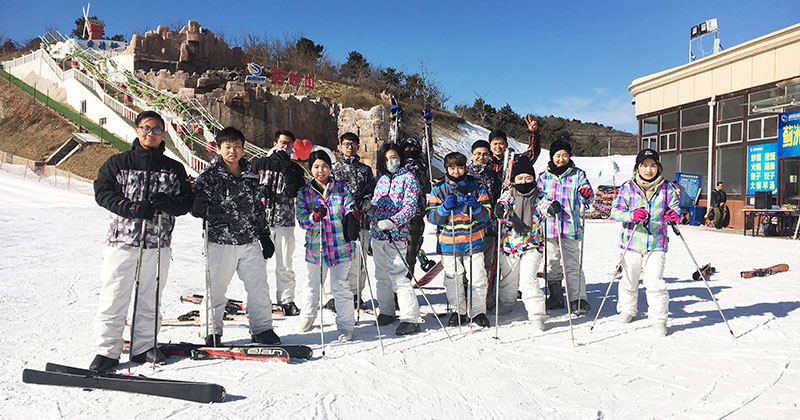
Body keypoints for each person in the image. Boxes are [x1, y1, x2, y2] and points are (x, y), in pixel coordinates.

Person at [91, 110, 193, 372]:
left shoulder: (174, 168)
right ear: (137, 130)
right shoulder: (118, 162)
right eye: (146, 128)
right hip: (123, 241)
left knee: (150, 298)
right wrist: (132, 208)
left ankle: (144, 346)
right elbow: (103, 193)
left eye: (157, 130)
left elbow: (186, 202)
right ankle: (107, 350)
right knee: (114, 295)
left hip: (157, 243)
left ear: (163, 135)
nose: (151, 133)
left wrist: (169, 203)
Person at [192, 127, 280, 346]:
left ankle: (262, 328)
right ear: (219, 148)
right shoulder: (209, 176)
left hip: (249, 240)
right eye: (228, 147)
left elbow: (256, 207)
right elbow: (197, 205)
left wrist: (264, 235)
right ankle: (211, 331)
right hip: (221, 241)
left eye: (237, 146)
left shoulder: (251, 174)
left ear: (243, 148)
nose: (233, 151)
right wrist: (198, 206)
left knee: (258, 287)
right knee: (216, 288)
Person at [610, 149, 681, 337]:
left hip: (657, 242)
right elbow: (615, 211)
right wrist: (631, 215)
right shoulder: (628, 187)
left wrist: (674, 215)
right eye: (644, 165)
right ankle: (627, 309)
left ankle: (658, 319)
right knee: (629, 279)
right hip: (632, 241)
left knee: (655, 282)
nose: (648, 170)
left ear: (658, 167)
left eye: (652, 165)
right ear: (638, 167)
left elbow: (676, 210)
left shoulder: (668, 188)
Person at [296, 150, 360, 342]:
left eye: (324, 166)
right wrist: (313, 217)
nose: (320, 171)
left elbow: (349, 206)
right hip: (317, 247)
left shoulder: (341, 188)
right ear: (310, 170)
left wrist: (352, 217)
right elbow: (302, 221)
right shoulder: (304, 193)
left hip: (340, 246)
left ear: (330, 168)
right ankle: (308, 316)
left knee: (340, 286)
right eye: (316, 167)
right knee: (312, 284)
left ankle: (346, 325)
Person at [426, 152, 492, 327]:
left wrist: (477, 207)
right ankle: (458, 310)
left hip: (473, 240)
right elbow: (431, 218)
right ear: (447, 168)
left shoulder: (477, 186)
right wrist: (444, 208)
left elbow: (486, 215)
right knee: (453, 278)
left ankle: (477, 311)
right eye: (452, 167)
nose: (456, 171)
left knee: (477, 277)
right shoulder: (438, 189)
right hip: (449, 242)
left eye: (460, 167)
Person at [370, 143, 423, 335]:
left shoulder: (409, 178)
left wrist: (393, 222)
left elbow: (410, 207)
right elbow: (376, 204)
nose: (391, 161)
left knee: (399, 276)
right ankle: (386, 310)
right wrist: (370, 211)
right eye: (387, 158)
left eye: (394, 157)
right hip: (377, 234)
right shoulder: (382, 179)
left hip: (396, 234)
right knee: (380, 275)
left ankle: (411, 317)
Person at [252, 130, 306, 316]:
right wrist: (259, 191)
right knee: (257, 262)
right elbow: (247, 185)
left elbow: (295, 192)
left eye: (289, 144)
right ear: (275, 143)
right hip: (261, 222)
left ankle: (286, 299)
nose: (285, 146)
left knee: (285, 263)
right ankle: (256, 298)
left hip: (284, 221)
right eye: (282, 142)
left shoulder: (295, 169)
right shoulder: (259, 164)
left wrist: (287, 169)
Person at [494, 155, 552, 330]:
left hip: (531, 246)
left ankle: (537, 315)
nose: (524, 181)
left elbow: (546, 205)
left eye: (528, 178)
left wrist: (552, 207)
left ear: (533, 179)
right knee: (510, 281)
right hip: (510, 246)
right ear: (514, 180)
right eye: (520, 178)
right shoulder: (509, 194)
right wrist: (500, 208)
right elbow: (504, 203)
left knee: (528, 280)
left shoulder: (540, 196)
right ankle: (506, 303)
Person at [537, 140, 594, 315]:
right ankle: (555, 296)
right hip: (549, 227)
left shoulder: (578, 175)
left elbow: (588, 198)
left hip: (569, 227)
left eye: (564, 155)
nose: (561, 159)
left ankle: (577, 299)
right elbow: (539, 198)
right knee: (551, 263)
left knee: (572, 264)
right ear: (551, 157)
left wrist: (586, 195)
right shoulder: (544, 176)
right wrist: (548, 206)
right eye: (557, 155)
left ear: (569, 156)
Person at [329, 132, 375, 311]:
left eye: (353, 144)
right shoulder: (334, 170)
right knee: (338, 261)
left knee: (358, 261)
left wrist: (367, 201)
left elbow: (373, 190)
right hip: (339, 223)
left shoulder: (365, 170)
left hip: (361, 221)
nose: (349, 147)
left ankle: (356, 294)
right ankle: (335, 296)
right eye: (346, 144)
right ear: (340, 146)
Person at [467, 140, 502, 307]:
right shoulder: (464, 174)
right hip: (468, 228)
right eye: (478, 154)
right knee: (470, 265)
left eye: (485, 154)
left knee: (487, 264)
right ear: (471, 155)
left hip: (489, 227)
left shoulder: (494, 175)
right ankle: (467, 299)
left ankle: (484, 298)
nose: (481, 157)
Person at [397, 136, 431, 276]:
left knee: (411, 253)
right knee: (396, 254)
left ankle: (407, 281)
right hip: (398, 213)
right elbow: (392, 143)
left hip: (416, 213)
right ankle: (394, 289)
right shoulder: (397, 164)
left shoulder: (421, 165)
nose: (410, 151)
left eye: (413, 148)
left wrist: (427, 127)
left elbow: (428, 149)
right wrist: (394, 121)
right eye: (406, 148)